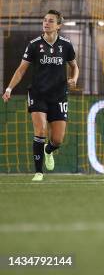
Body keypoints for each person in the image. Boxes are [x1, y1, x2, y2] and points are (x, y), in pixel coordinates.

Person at [2, 10, 78, 181]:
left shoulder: (66, 45)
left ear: (59, 25)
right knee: (40, 130)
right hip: (38, 94)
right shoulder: (34, 44)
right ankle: (38, 172)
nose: (46, 23)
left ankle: (48, 150)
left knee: (57, 139)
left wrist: (74, 79)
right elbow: (21, 70)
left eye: (51, 21)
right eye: (44, 20)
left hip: (59, 95)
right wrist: (9, 89)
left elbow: (74, 66)